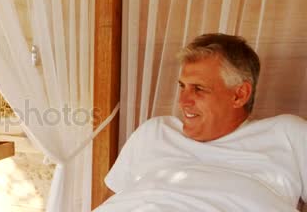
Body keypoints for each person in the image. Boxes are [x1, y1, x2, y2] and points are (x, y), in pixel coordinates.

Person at [97, 33, 307, 211]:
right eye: (182, 87)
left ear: (239, 95)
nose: (182, 101)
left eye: (198, 89)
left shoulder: (287, 134)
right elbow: (111, 199)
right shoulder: (155, 131)